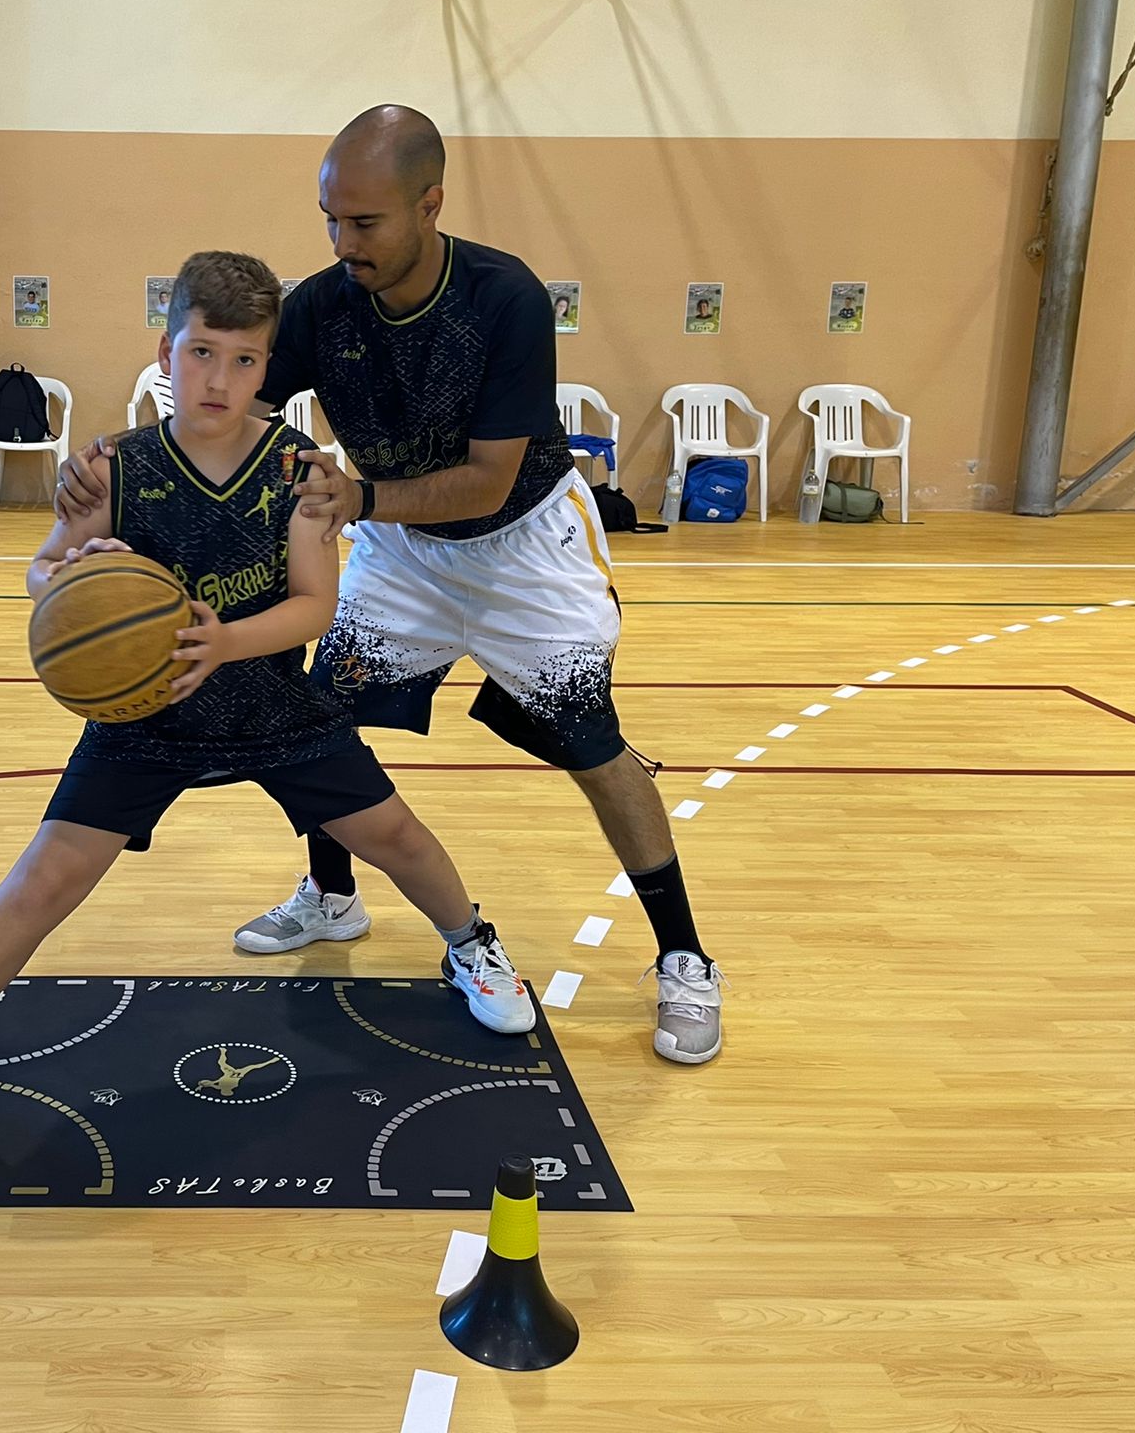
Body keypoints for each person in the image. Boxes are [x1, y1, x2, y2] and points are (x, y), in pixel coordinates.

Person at [60, 106, 725, 1065]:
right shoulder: (325, 306)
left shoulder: (505, 299)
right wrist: (109, 465)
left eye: (364, 223)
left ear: (430, 204)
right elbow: (221, 394)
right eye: (330, 219)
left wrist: (359, 494)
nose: (342, 243)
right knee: (314, 713)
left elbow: (490, 477)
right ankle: (331, 897)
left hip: (524, 545)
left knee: (592, 746)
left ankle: (684, 958)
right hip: (401, 548)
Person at [0, 250, 538, 1182]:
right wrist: (55, 579)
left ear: (271, 366)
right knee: (45, 880)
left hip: (271, 704)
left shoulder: (300, 473)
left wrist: (226, 642)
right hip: (145, 719)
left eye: (245, 360)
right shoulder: (115, 467)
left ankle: (472, 946)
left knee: (399, 836)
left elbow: (314, 605)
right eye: (201, 352)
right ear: (166, 351)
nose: (219, 379)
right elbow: (45, 573)